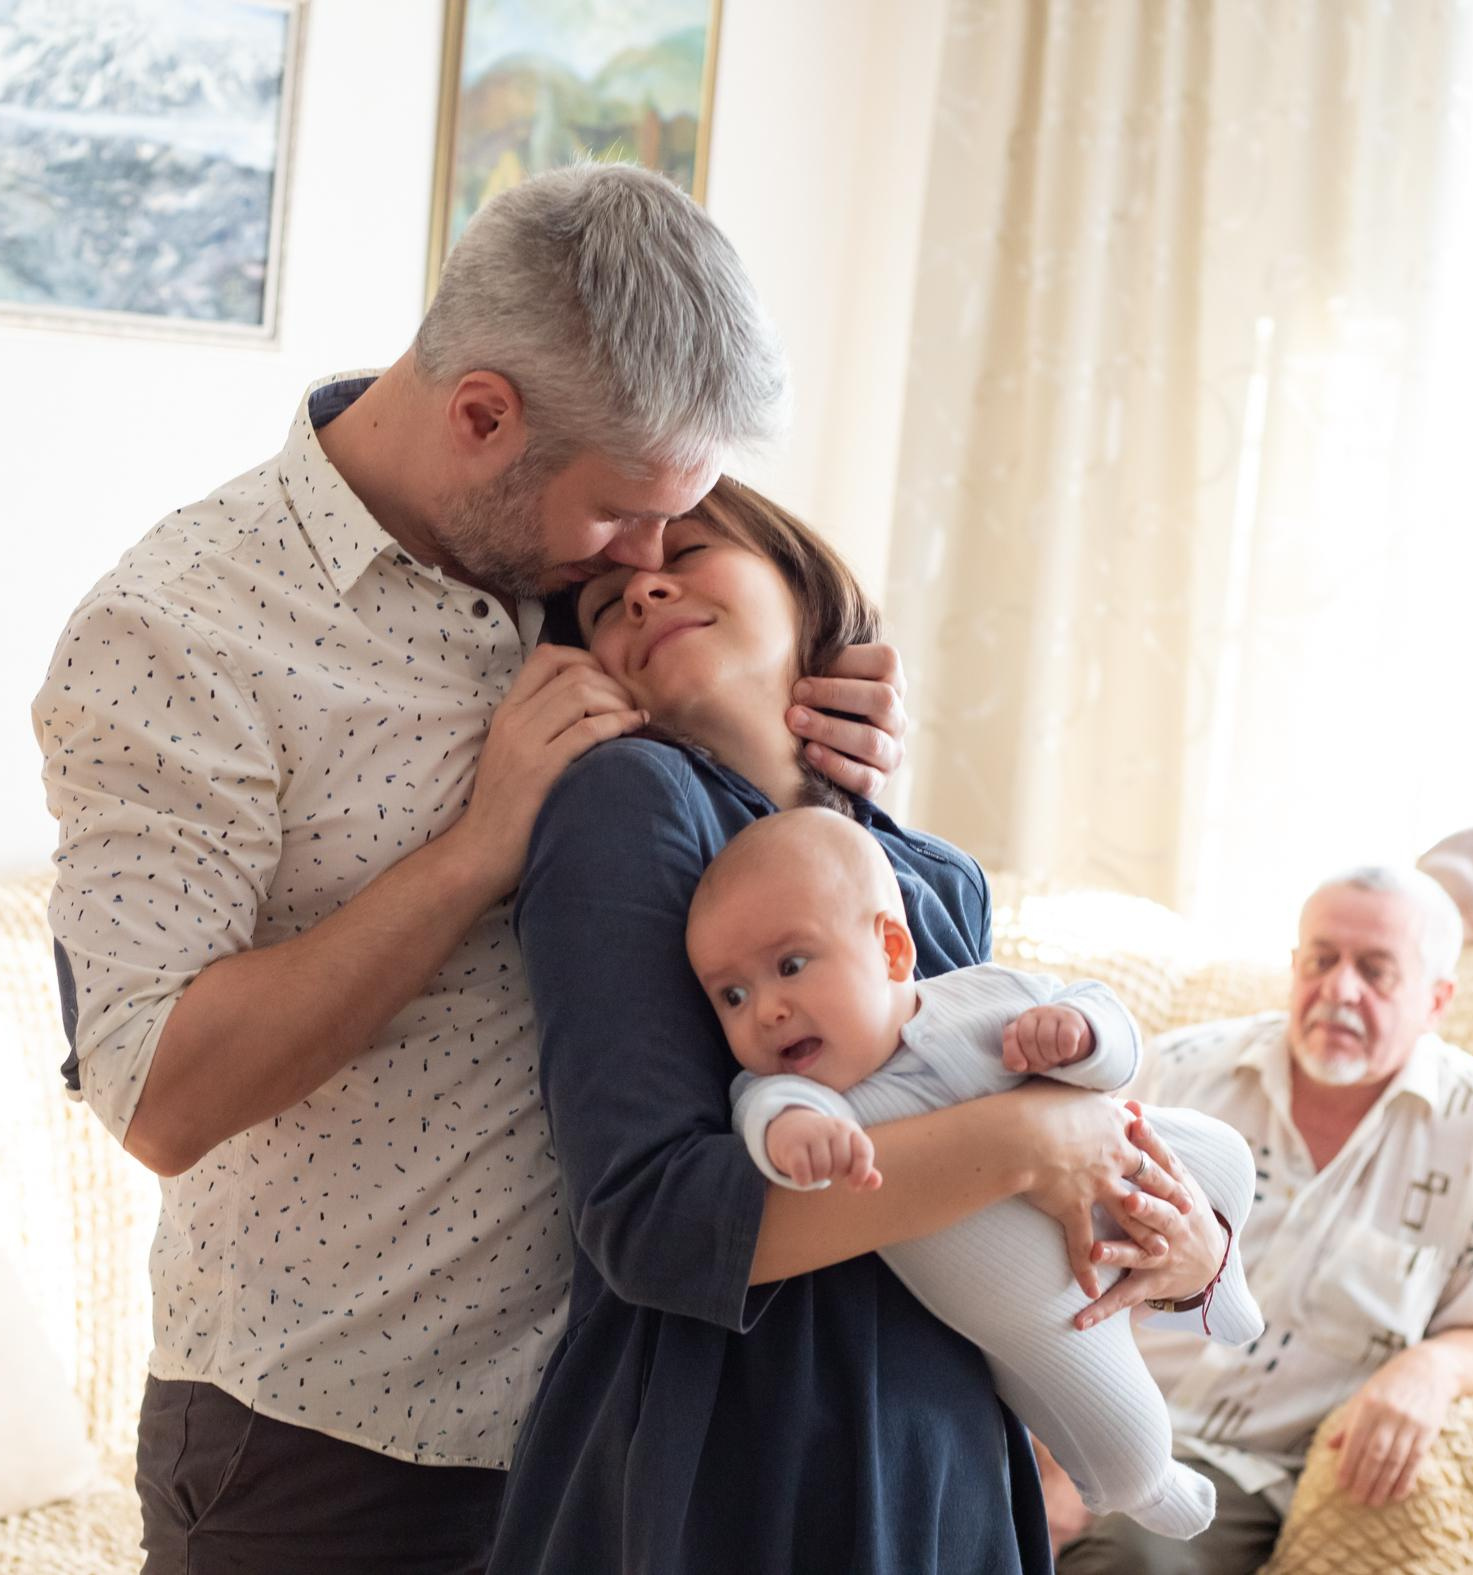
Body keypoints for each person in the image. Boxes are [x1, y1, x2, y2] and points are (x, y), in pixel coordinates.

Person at [32, 164, 910, 1574]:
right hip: (329, 1450)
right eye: (627, 519)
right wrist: (471, 853)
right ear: (482, 414)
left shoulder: (594, 563)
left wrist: (828, 708)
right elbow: (158, 1090)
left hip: (635, 1427)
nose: (647, 561)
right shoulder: (175, 632)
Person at [489, 478, 1239, 1575]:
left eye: (689, 552)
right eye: (602, 606)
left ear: (800, 586)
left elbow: (1050, 1157)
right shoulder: (632, 801)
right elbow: (653, 1219)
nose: (643, 584)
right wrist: (1033, 1144)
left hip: (946, 1451)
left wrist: (1189, 1251)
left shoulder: (934, 878)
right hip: (741, 1449)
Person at [692, 806, 1265, 1540]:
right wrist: (796, 1138)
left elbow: (1106, 1020)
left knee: (1227, 1157)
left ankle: (1228, 1289)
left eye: (791, 965)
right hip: (1050, 1305)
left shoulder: (981, 994)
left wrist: (1082, 1035)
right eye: (731, 996)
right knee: (1126, 1428)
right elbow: (761, 1113)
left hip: (1122, 1171)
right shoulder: (812, 1098)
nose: (766, 1009)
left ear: (892, 950)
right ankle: (1154, 1486)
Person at [1052, 867, 1473, 1575]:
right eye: (1322, 960)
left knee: (1130, 1562)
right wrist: (1049, 1450)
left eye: (1376, 972)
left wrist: (1431, 1367)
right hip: (1082, 1407)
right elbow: (1057, 1254)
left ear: (1437, 1000)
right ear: (1294, 967)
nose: (1340, 989)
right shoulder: (1181, 1073)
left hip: (1235, 1469)